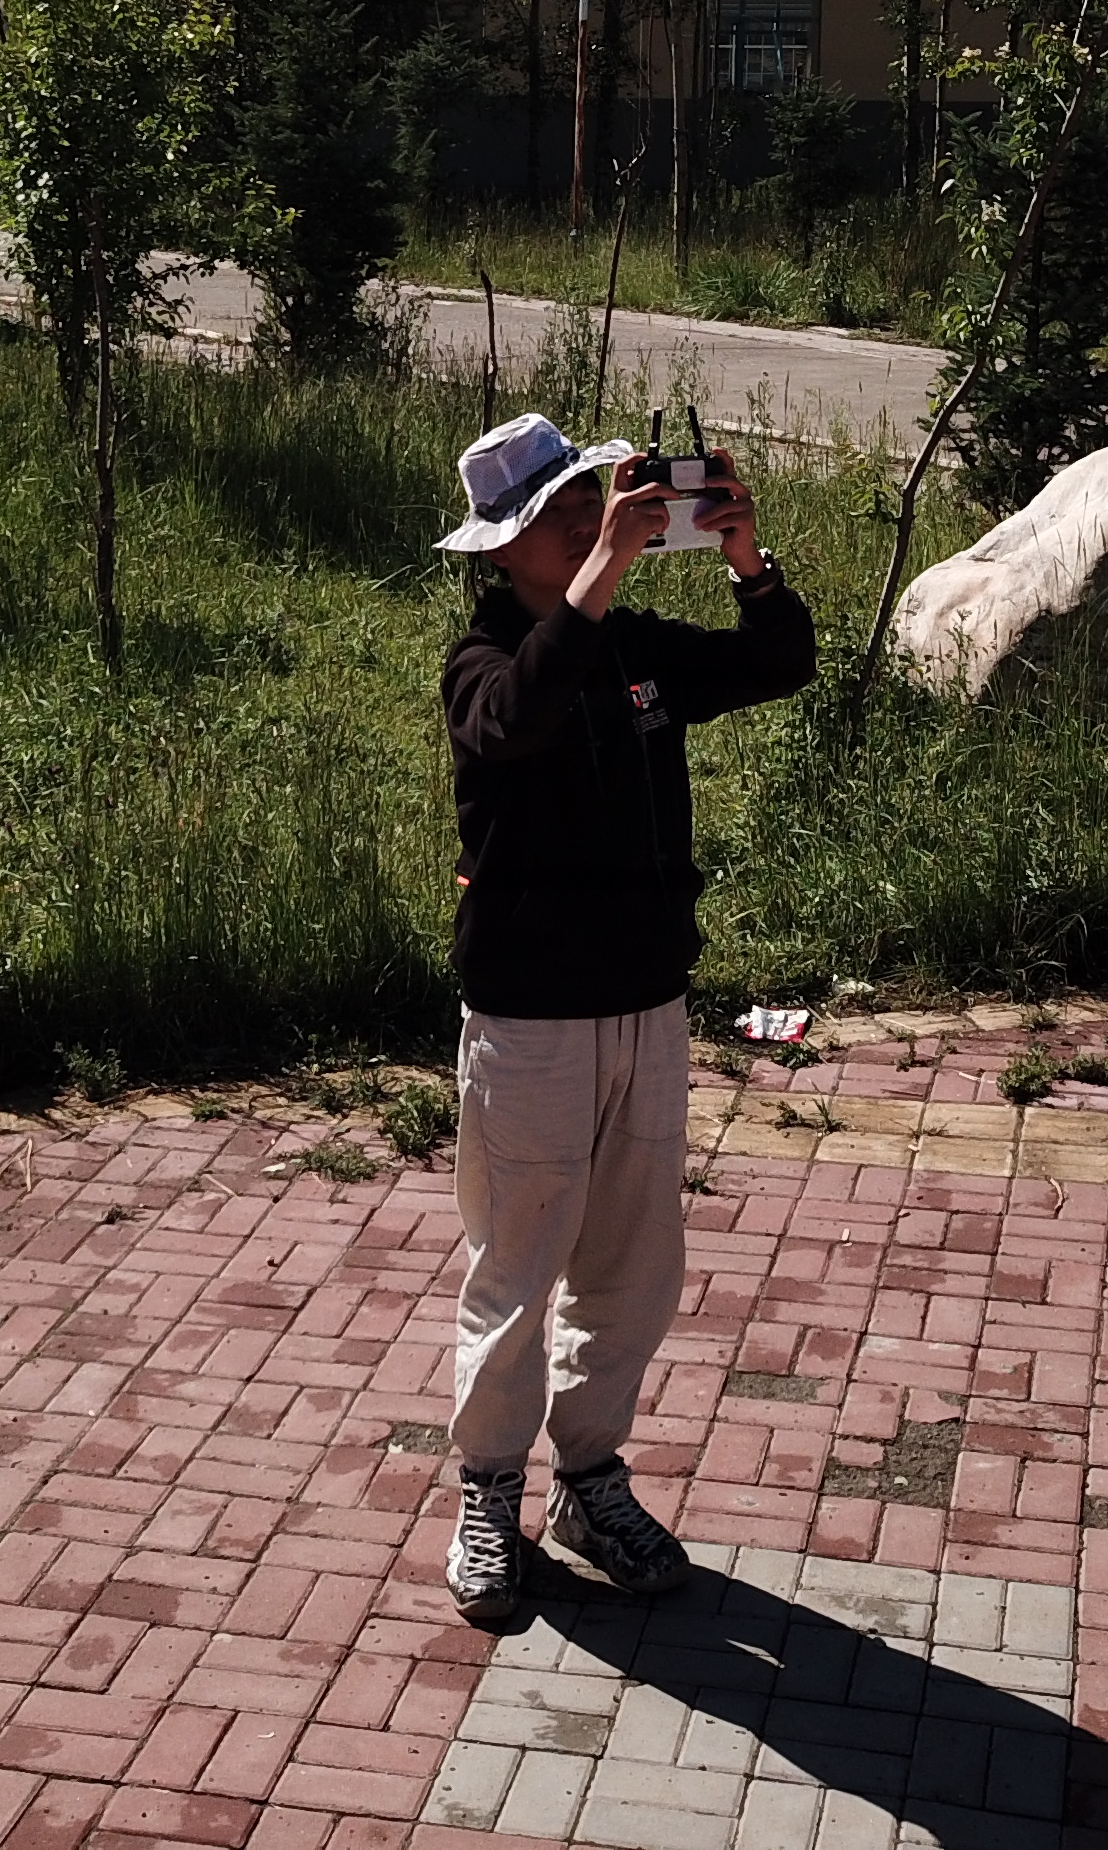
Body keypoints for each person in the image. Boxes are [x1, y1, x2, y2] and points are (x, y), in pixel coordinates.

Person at [431, 408, 817, 1627]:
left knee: (633, 1269)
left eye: (594, 504)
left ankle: (588, 1479)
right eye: (563, 517)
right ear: (503, 550)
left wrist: (750, 561)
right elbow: (516, 721)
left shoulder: (638, 646)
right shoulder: (484, 661)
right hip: (530, 1018)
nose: (592, 526)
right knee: (517, 1269)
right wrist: (595, 582)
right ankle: (486, 1490)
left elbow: (778, 663)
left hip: (645, 1003)